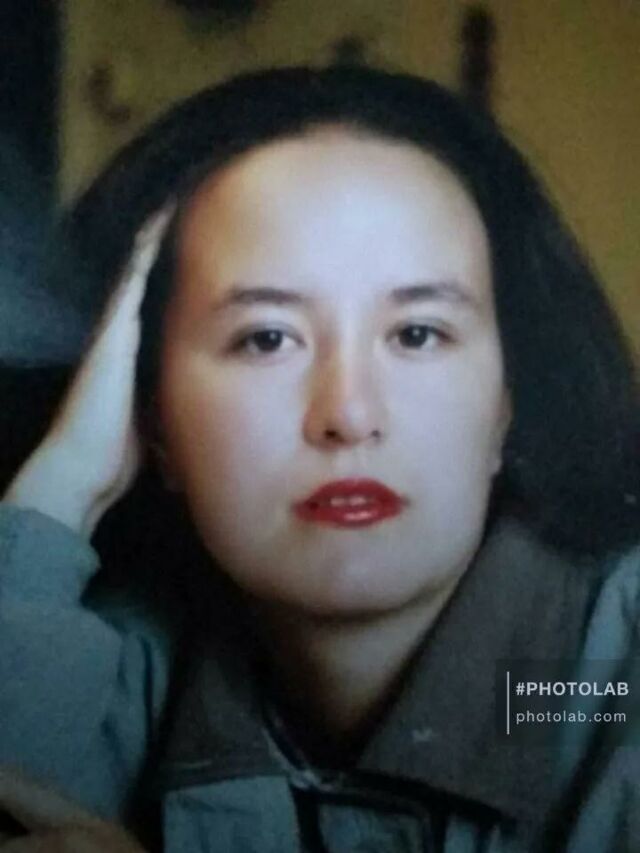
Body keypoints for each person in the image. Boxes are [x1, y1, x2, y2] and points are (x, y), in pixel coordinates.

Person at [0, 65, 639, 852]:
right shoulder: (116, 680)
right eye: (267, 338)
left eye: (417, 334)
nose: (348, 415)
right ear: (148, 414)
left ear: (508, 399)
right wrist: (62, 484)